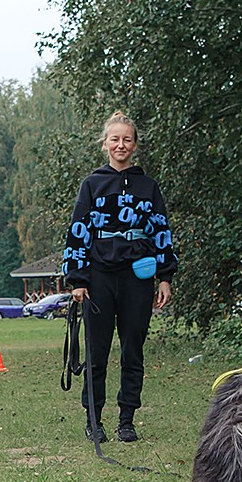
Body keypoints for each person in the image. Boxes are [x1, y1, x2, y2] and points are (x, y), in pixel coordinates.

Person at [64, 111, 178, 443]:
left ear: (135, 145)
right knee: (97, 351)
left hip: (137, 277)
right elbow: (78, 232)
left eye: (127, 139)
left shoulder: (148, 186)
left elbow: (161, 231)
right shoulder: (92, 184)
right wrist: (78, 280)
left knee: (133, 350)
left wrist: (165, 276)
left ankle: (126, 419)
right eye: (115, 139)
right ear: (105, 144)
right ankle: (93, 419)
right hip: (98, 277)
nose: (121, 145)